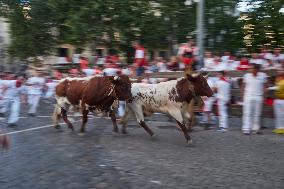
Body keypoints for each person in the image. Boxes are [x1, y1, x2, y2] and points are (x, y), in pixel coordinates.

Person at [242, 64, 267, 135]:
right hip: (248, 96)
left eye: (252, 68)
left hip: (259, 96)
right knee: (247, 113)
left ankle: (255, 128)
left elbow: (265, 86)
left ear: (257, 69)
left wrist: (264, 97)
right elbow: (243, 86)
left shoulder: (263, 75)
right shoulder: (246, 75)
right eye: (250, 68)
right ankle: (246, 128)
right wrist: (243, 96)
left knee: (257, 113)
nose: (250, 69)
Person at [272, 70, 284, 134]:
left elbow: (278, 88)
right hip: (278, 100)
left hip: (282, 100)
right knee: (278, 115)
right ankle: (279, 128)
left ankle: (282, 128)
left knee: (282, 115)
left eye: (279, 76)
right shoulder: (279, 82)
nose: (277, 77)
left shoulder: (282, 82)